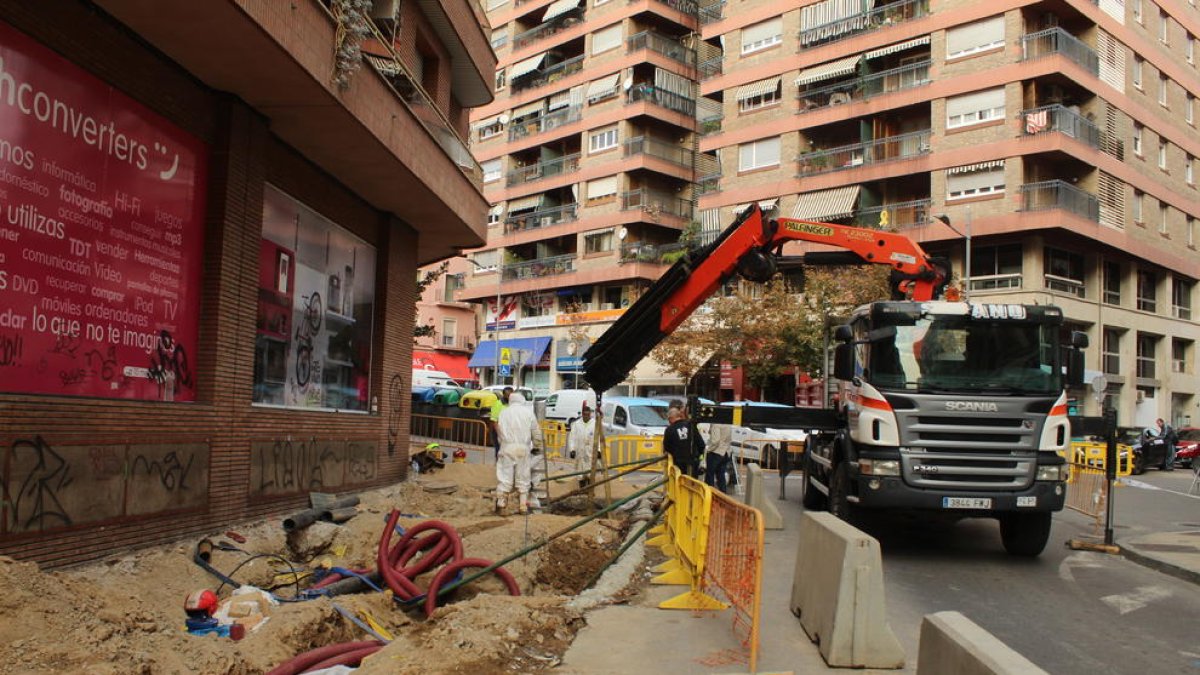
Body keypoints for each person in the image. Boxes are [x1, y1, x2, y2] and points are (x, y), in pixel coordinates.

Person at [495, 392, 543, 514]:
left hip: (507, 447)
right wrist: (537, 446)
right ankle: (523, 506)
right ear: (522, 400)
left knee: (505, 477)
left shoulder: (503, 413)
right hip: (523, 448)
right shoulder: (528, 413)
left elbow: (499, 430)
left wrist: (502, 443)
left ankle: (501, 503)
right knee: (523, 477)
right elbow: (536, 431)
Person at [663, 407, 704, 478]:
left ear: (671, 418)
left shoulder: (669, 429)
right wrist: (698, 456)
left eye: (668, 419)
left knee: (680, 482)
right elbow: (701, 443)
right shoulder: (691, 425)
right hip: (693, 461)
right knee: (693, 482)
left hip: (678, 463)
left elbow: (667, 448)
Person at [567, 403, 598, 477]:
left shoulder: (594, 424)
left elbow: (598, 438)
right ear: (582, 414)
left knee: (589, 471)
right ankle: (581, 481)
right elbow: (572, 437)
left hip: (590, 452)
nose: (586, 416)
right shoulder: (576, 424)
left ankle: (589, 481)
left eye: (588, 415)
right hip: (579, 452)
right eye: (585, 415)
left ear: (590, 414)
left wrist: (599, 450)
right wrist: (572, 449)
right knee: (580, 472)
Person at [705, 423, 733, 493]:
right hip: (726, 452)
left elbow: (715, 441)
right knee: (721, 475)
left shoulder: (716, 424)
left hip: (716, 452)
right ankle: (723, 494)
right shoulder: (727, 424)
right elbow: (729, 439)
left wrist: (709, 449)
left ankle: (710, 494)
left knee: (710, 475)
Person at [487, 386, 513, 459]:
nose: (510, 397)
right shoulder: (498, 404)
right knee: (499, 452)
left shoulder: (512, 404)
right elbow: (494, 421)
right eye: (508, 395)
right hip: (499, 432)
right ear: (504, 395)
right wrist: (500, 435)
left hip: (510, 432)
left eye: (511, 395)